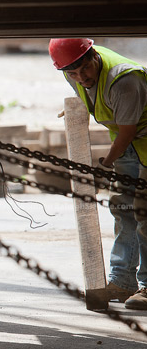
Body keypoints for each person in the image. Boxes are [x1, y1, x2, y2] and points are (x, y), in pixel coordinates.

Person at [49, 38, 147, 309]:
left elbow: (127, 132)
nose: (81, 77)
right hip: (128, 142)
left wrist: (105, 164)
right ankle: (122, 281)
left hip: (139, 141)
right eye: (73, 74)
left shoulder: (125, 80)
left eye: (85, 70)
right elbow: (92, 97)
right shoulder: (74, 72)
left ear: (93, 56)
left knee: (145, 214)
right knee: (124, 209)